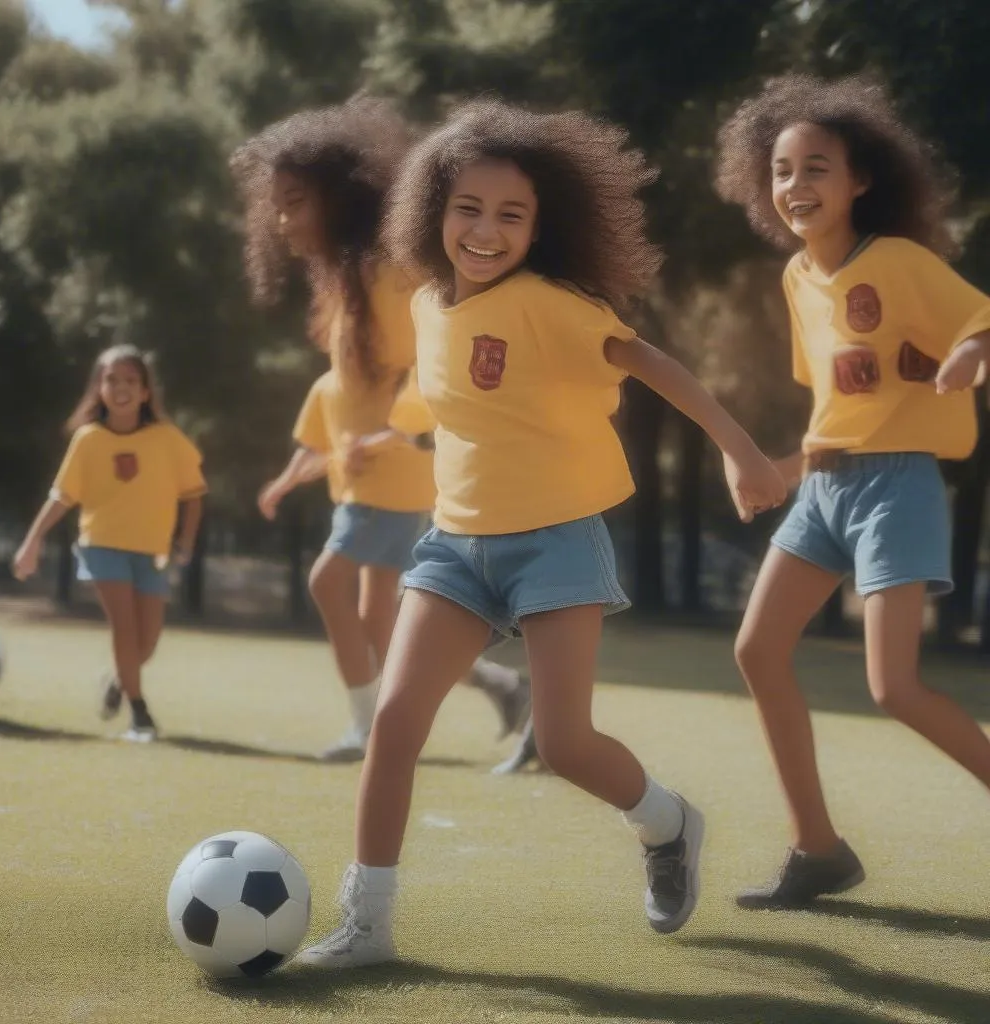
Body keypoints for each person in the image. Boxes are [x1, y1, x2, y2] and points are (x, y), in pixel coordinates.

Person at [298, 98, 787, 968]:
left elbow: (652, 363)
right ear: (433, 210)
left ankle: (667, 824)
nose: (486, 231)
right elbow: (460, 405)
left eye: (510, 215)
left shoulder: (550, 303)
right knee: (396, 725)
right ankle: (367, 925)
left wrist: (741, 453)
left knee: (564, 745)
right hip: (454, 546)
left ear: (538, 226)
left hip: (555, 538)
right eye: (468, 209)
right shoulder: (426, 307)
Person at [714, 73, 990, 909]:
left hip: (897, 488)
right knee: (758, 651)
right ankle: (818, 850)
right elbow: (839, 410)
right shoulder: (798, 278)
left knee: (893, 688)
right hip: (826, 489)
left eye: (817, 168)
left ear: (861, 179)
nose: (797, 186)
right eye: (782, 170)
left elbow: (983, 316)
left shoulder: (900, 262)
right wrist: (775, 468)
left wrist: (972, 353)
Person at [231, 97, 529, 763]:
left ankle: (367, 730)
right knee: (376, 616)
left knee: (325, 584)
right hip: (361, 474)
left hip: (393, 472)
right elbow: (337, 384)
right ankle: (503, 686)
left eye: (294, 201)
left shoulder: (389, 275)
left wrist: (392, 434)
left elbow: (432, 365)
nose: (281, 219)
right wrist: (302, 463)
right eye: (275, 204)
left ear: (337, 199)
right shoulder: (346, 281)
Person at [13, 344, 206, 741]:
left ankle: (120, 682)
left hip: (153, 552)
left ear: (146, 392)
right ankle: (140, 715)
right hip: (101, 545)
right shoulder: (88, 440)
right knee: (124, 628)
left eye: (131, 381)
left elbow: (194, 494)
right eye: (111, 379)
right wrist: (32, 541)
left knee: (146, 643)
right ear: (99, 389)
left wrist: (185, 543)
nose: (121, 388)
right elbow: (61, 496)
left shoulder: (168, 438)